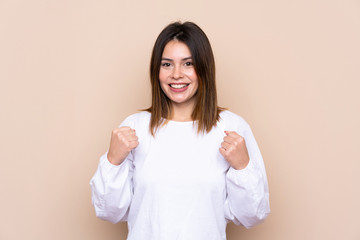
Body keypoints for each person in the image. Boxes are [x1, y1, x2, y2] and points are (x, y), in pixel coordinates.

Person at [90, 21, 270, 240]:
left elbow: (252, 216)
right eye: (167, 64)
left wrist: (243, 167)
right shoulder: (135, 127)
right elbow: (110, 212)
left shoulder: (231, 128)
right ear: (156, 70)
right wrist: (112, 161)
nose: (176, 74)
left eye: (188, 64)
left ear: (204, 68)